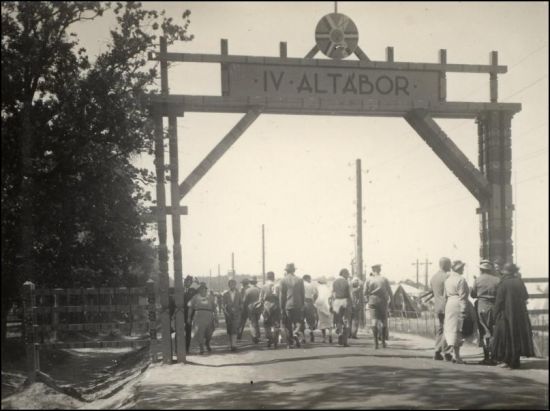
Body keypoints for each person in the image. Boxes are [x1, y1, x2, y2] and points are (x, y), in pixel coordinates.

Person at [492, 263, 535, 369]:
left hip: (506, 314)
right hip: (519, 314)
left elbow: (499, 301)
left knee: (506, 337)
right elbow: (525, 296)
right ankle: (515, 360)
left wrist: (495, 314)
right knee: (516, 336)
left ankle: (508, 360)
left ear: (505, 272)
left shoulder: (503, 283)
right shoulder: (519, 281)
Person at [471, 259, 500, 365]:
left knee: (484, 332)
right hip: (494, 306)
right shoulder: (497, 280)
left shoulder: (477, 280)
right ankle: (494, 357)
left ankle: (486, 357)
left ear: (481, 269)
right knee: (494, 331)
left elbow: (473, 294)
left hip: (482, 306)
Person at [443, 260, 469, 364]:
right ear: (458, 269)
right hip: (457, 303)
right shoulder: (461, 279)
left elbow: (445, 295)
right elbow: (462, 296)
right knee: (458, 328)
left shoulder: (448, 280)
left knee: (451, 328)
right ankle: (457, 356)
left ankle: (454, 354)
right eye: (462, 267)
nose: (463, 269)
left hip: (449, 304)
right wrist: (463, 309)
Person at [429, 257, 453, 361]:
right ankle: (446, 352)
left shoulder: (433, 277)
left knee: (440, 329)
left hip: (437, 307)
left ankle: (437, 351)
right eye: (449, 264)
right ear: (445, 265)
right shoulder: (447, 277)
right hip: (446, 306)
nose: (451, 266)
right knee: (447, 329)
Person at [365, 264, 393, 349]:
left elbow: (364, 292)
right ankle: (383, 342)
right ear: (379, 270)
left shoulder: (368, 279)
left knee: (374, 321)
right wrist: (391, 301)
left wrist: (368, 298)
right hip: (383, 301)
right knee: (384, 321)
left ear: (373, 270)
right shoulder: (384, 279)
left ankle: (375, 343)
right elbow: (390, 292)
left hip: (372, 300)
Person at [279, 263, 305, 348]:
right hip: (298, 304)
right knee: (298, 322)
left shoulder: (283, 280)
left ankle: (290, 343)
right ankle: (296, 333)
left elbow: (282, 296)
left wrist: (281, 307)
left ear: (286, 271)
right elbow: (302, 293)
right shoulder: (300, 280)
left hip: (288, 305)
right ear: (294, 270)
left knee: (288, 324)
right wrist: (302, 304)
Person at [187, 282, 217, 355]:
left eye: (204, 288)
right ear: (199, 289)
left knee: (209, 333)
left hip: (209, 316)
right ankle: (201, 348)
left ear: (206, 289)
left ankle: (207, 343)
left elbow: (214, 308)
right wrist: (189, 317)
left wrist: (216, 317)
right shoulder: (195, 297)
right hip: (199, 316)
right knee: (200, 332)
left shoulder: (210, 297)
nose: (203, 290)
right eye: (201, 288)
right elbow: (190, 308)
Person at [259, 271, 281, 348]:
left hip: (267, 306)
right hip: (276, 305)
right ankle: (275, 341)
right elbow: (280, 297)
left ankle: (269, 339)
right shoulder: (277, 286)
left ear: (267, 277)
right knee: (276, 324)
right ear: (273, 277)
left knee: (267, 324)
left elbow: (261, 299)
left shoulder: (264, 286)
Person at [332, 268, 352, 347]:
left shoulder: (334, 282)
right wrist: (351, 303)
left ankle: (339, 333)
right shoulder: (347, 282)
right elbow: (350, 294)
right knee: (346, 320)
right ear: (344, 274)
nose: (348, 275)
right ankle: (345, 341)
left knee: (338, 319)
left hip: (337, 301)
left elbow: (332, 293)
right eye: (347, 274)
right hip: (345, 301)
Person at [222, 279, 243, 352]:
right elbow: (223, 305)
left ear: (235, 285)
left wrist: (239, 308)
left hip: (237, 314)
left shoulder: (239, 294)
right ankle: (231, 344)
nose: (232, 286)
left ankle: (234, 345)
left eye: (233, 284)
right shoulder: (225, 294)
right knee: (230, 329)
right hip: (228, 314)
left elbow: (241, 303)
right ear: (229, 285)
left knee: (235, 329)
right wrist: (226, 312)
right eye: (230, 284)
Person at [242, 276, 262, 343]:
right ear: (256, 282)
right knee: (256, 322)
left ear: (250, 283)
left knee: (251, 322)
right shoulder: (259, 289)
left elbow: (244, 301)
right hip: (258, 308)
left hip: (250, 308)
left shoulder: (248, 290)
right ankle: (258, 334)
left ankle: (254, 336)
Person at [183, 275, 199, 354]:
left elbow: (199, 293)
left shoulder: (193, 290)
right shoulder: (180, 290)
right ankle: (179, 349)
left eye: (189, 281)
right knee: (179, 332)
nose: (186, 282)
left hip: (189, 313)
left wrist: (197, 283)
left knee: (188, 331)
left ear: (191, 282)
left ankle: (186, 348)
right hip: (181, 313)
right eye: (186, 281)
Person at [315, 278, 334, 343]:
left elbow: (315, 295)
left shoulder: (318, 288)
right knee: (329, 321)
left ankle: (324, 338)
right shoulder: (328, 288)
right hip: (328, 305)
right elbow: (331, 296)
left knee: (322, 322)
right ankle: (330, 334)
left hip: (320, 306)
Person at [302, 274, 319, 343]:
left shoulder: (301, 285)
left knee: (301, 319)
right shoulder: (311, 285)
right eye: (310, 279)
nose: (310, 280)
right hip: (309, 302)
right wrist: (314, 300)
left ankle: (303, 336)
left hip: (302, 302)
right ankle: (311, 332)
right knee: (310, 319)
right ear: (307, 279)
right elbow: (316, 293)